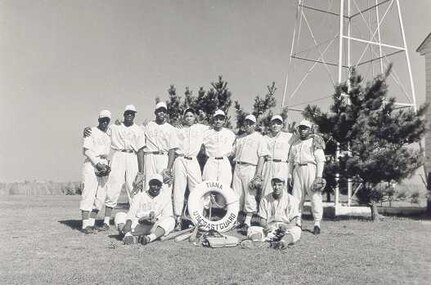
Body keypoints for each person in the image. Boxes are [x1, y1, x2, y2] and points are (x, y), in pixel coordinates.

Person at [85, 105, 146, 231]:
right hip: (118, 155)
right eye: (128, 113)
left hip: (132, 156)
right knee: (113, 187)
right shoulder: (114, 127)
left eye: (132, 113)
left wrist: (141, 171)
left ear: (135, 115)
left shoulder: (139, 129)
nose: (130, 115)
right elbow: (99, 131)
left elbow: (140, 150)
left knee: (134, 188)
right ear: (124, 114)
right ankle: (106, 221)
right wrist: (87, 130)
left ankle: (136, 219)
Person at [171, 108, 208, 229]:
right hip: (180, 159)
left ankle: (196, 218)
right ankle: (177, 218)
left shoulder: (201, 128)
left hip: (193, 160)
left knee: (196, 189)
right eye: (186, 116)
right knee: (178, 189)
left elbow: (214, 130)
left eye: (191, 116)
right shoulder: (178, 130)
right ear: (183, 118)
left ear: (195, 118)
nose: (188, 118)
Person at [241, 176, 301, 249]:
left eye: (279, 185)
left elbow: (294, 221)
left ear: (284, 185)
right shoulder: (265, 200)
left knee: (297, 230)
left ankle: (282, 243)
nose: (276, 187)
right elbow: (262, 220)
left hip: (285, 229)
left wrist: (286, 227)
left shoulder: (291, 199)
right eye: (274, 184)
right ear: (272, 185)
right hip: (271, 228)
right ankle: (256, 243)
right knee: (252, 229)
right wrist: (266, 227)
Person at [288, 119, 326, 235]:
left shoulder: (314, 141)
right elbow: (290, 161)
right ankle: (298, 222)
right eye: (301, 128)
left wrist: (318, 177)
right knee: (297, 198)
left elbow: (320, 160)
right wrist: (290, 175)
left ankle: (317, 223)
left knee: (315, 197)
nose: (302, 130)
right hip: (297, 169)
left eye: (305, 128)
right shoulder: (295, 143)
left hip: (310, 168)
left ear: (309, 129)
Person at [114, 174, 175, 245]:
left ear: (161, 186)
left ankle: (149, 238)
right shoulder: (139, 196)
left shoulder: (165, 198)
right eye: (153, 184)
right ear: (149, 184)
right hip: (138, 226)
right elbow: (132, 213)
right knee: (120, 215)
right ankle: (128, 236)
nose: (155, 187)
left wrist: (155, 219)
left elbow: (166, 215)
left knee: (171, 220)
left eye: (158, 185)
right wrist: (135, 221)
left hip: (154, 227)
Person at [232, 114, 269, 230]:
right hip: (238, 166)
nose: (248, 125)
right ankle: (237, 220)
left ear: (255, 124)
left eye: (251, 123)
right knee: (236, 194)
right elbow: (232, 152)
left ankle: (247, 221)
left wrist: (258, 174)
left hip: (250, 167)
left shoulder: (259, 138)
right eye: (246, 122)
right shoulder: (239, 138)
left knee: (249, 194)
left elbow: (262, 157)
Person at [80, 110, 112, 234]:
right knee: (89, 193)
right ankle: (84, 225)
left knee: (101, 196)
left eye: (107, 120)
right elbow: (87, 150)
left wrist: (106, 166)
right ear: (98, 120)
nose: (105, 122)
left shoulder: (109, 133)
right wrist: (97, 164)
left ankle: (91, 223)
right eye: (103, 119)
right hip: (91, 163)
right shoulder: (91, 131)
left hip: (103, 163)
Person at [137, 102, 178, 189]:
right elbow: (138, 139)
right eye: (159, 111)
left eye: (164, 111)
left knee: (164, 186)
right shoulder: (148, 125)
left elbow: (172, 150)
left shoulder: (171, 129)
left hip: (163, 157)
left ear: (166, 113)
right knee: (148, 185)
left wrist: (168, 168)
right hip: (149, 156)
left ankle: (165, 203)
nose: (161, 113)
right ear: (155, 112)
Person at [261, 115, 294, 198]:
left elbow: (302, 138)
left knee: (282, 189)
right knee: (267, 189)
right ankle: (266, 209)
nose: (275, 125)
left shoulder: (289, 136)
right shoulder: (265, 138)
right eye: (273, 123)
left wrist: (314, 136)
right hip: (269, 164)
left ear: (282, 125)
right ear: (270, 125)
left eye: (278, 123)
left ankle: (281, 210)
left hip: (282, 165)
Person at [202, 109, 236, 187]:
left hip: (224, 162)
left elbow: (234, 148)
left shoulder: (230, 134)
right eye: (216, 119)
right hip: (211, 161)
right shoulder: (206, 133)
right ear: (213, 120)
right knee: (208, 186)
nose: (218, 121)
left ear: (224, 121)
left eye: (221, 119)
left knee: (224, 187)